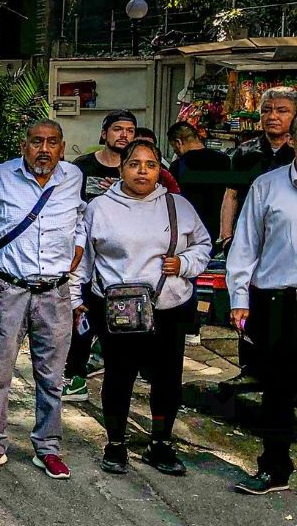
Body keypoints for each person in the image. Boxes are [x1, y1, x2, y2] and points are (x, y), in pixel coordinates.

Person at [0, 119, 86, 480]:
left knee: (52, 376)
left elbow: (81, 216)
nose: (44, 149)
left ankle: (48, 448)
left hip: (55, 292)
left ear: (62, 147)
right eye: (36, 142)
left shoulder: (73, 177)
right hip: (8, 289)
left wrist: (77, 245)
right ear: (23, 145)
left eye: (52, 142)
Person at [77, 139, 211, 476]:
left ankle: (161, 443)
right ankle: (116, 443)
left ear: (159, 170)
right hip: (119, 310)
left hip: (168, 307)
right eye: (134, 164)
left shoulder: (177, 206)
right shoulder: (99, 208)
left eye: (150, 164)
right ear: (121, 168)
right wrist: (78, 299)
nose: (142, 171)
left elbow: (203, 245)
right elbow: (84, 258)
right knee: (118, 377)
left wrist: (183, 262)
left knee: (167, 379)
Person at [226, 112, 297, 495]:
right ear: (293, 142)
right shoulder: (267, 186)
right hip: (278, 301)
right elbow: (246, 246)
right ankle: (274, 467)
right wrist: (239, 298)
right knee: (278, 389)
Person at [220, 87, 295, 386]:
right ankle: (250, 368)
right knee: (249, 306)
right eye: (267, 110)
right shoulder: (245, 152)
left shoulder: (294, 150)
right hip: (252, 236)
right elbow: (231, 194)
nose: (272, 117)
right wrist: (225, 237)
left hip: (283, 242)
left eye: (281, 111)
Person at [62, 109, 138, 402]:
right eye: (118, 129)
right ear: (104, 133)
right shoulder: (81, 167)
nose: (124, 135)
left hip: (123, 262)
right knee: (81, 317)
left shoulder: (140, 169)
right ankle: (76, 375)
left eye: (130, 130)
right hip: (85, 257)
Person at [167, 121, 230, 241]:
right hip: (219, 226)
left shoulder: (178, 166)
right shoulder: (224, 160)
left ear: (179, 143)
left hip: (190, 227)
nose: (175, 152)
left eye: (174, 148)